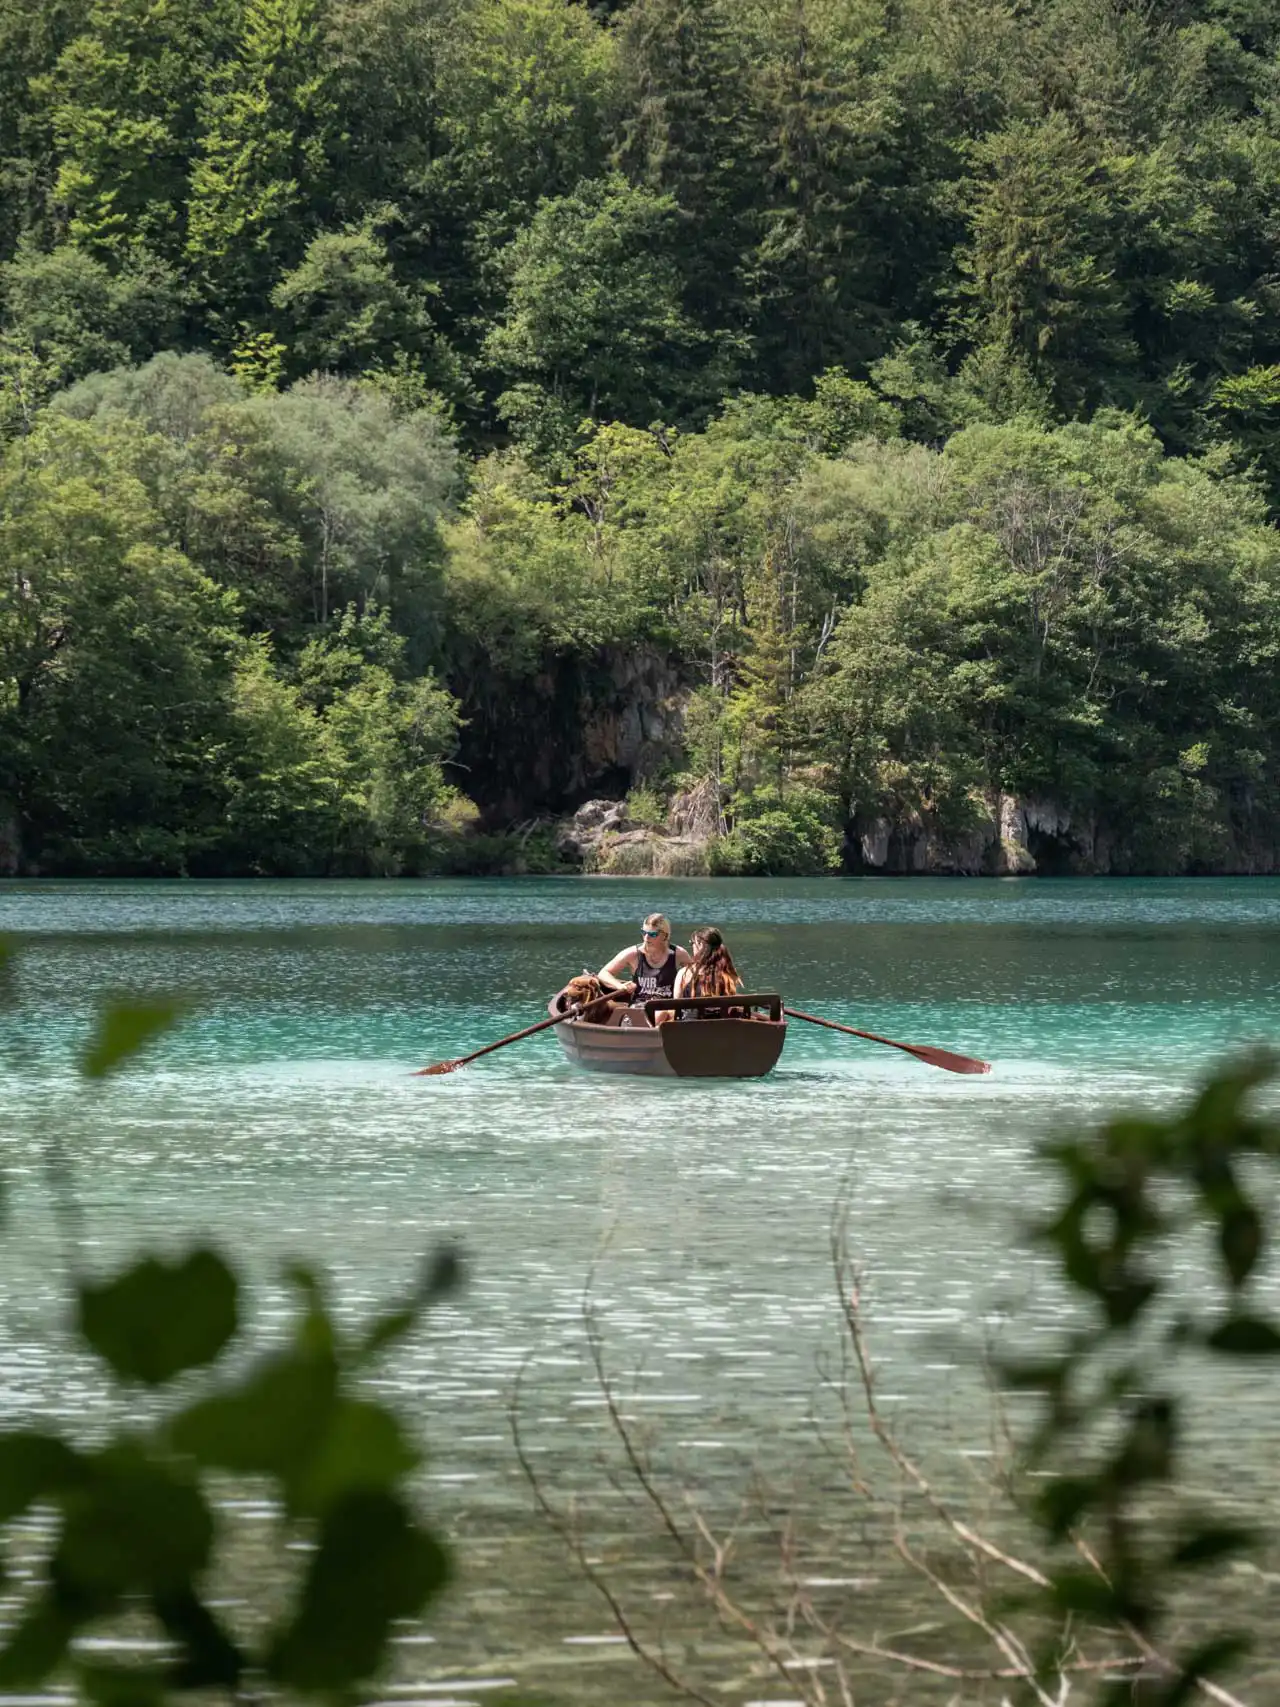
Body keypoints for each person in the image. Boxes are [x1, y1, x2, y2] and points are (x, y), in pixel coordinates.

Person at [597, 914, 691, 1014]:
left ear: (665, 936)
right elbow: (603, 973)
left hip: (667, 1007)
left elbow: (697, 975)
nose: (646, 938)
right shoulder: (632, 954)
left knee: (664, 1014)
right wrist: (619, 986)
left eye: (652, 934)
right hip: (639, 1007)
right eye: (644, 932)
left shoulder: (679, 954)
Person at [660, 926, 743, 1022]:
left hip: (689, 1029)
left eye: (692, 943)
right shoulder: (727, 974)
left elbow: (676, 1006)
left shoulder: (685, 973)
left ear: (700, 944)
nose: (692, 946)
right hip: (721, 1029)